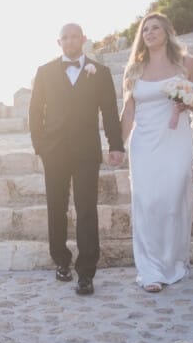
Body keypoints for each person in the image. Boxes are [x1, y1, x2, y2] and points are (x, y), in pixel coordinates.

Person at [28, 23, 125, 296]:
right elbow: (35, 113)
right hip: (54, 151)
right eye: (65, 37)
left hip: (86, 151)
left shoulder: (100, 72)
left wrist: (115, 145)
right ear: (59, 42)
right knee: (56, 208)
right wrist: (41, 147)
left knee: (86, 210)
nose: (70, 41)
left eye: (75, 36)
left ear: (83, 39)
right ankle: (61, 261)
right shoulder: (44, 72)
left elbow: (108, 110)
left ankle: (86, 273)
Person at [118, 12, 193, 293]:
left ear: (167, 31)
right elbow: (129, 111)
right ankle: (150, 269)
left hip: (175, 138)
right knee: (148, 202)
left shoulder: (186, 63)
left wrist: (185, 103)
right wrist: (118, 146)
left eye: (155, 28)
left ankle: (173, 262)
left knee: (172, 199)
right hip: (144, 143)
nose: (150, 33)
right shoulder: (134, 70)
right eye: (145, 30)